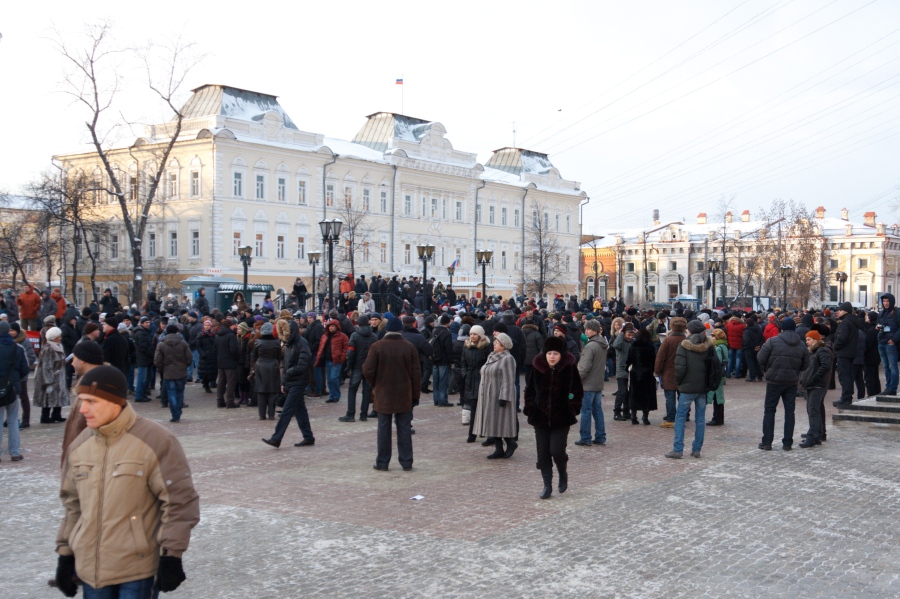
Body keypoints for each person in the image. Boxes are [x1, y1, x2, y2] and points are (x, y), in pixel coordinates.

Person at [55, 365, 200, 598]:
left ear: (114, 401)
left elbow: (179, 502)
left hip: (137, 569)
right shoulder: (80, 445)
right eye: (81, 400)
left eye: (91, 401)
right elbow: (73, 505)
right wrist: (65, 554)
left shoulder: (156, 440)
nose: (82, 409)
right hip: (92, 569)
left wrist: (171, 555)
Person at [523, 335, 583, 500]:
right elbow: (529, 391)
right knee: (543, 453)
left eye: (555, 353)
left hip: (561, 417)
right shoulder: (538, 366)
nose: (552, 357)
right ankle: (547, 485)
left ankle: (562, 472)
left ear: (561, 354)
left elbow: (577, 391)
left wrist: (572, 406)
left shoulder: (569, 367)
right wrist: (531, 408)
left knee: (556, 450)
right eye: (549, 353)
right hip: (540, 418)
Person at [363, 316, 421, 471]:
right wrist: (415, 395)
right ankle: (406, 461)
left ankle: (382, 462)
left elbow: (368, 369)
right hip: (404, 393)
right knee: (404, 428)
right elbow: (416, 374)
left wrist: (376, 383)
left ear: (386, 329)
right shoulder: (408, 347)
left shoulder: (377, 346)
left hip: (384, 393)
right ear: (400, 330)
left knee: (383, 428)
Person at [756, 317, 810, 451]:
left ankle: (767, 442)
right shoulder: (801, 344)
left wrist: (767, 369)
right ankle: (787, 443)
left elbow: (760, 358)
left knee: (769, 411)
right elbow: (806, 364)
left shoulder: (772, 341)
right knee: (789, 412)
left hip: (774, 380)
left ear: (782, 328)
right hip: (791, 381)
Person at [263, 319, 314, 448]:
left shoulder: (301, 343)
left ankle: (276, 438)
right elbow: (286, 366)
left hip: (299, 381)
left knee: (287, 410)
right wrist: (284, 382)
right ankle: (308, 437)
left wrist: (289, 373)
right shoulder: (288, 344)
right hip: (292, 381)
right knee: (300, 410)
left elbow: (303, 364)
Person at [666, 320, 713, 459]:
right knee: (700, 418)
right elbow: (713, 366)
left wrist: (679, 382)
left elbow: (680, 368)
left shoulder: (684, 346)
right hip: (702, 387)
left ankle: (678, 449)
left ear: (691, 331)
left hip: (687, 387)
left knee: (680, 417)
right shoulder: (709, 346)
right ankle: (697, 449)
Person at [472, 332, 518, 459]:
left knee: (502, 422)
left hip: (499, 395)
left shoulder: (507, 359)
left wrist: (504, 396)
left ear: (504, 345)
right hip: (488, 394)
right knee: (492, 422)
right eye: (494, 342)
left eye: (497, 343)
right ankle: (498, 449)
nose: (494, 344)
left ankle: (510, 443)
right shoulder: (492, 356)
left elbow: (508, 379)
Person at [60, 340, 105, 464]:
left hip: (87, 461)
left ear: (83, 360)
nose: (72, 363)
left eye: (74, 358)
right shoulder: (88, 384)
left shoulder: (95, 386)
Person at [576, 319, 608, 446]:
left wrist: (577, 381)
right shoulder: (602, 344)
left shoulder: (590, 346)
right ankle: (600, 436)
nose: (586, 331)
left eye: (588, 329)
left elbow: (584, 368)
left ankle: (585, 437)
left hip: (588, 384)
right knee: (598, 411)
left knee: (586, 411)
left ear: (595, 330)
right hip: (597, 383)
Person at [0, 321, 29, 462]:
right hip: (13, 387)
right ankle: (15, 452)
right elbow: (25, 368)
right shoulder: (17, 348)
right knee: (12, 420)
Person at [799, 329, 833, 448]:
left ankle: (812, 437)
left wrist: (814, 378)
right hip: (812, 384)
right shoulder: (813, 351)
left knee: (813, 410)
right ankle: (817, 434)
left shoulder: (821, 350)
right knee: (814, 410)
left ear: (815, 339)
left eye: (809, 339)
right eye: (806, 339)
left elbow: (825, 366)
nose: (807, 342)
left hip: (817, 385)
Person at [154, 324, 193, 423]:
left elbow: (157, 361)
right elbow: (189, 358)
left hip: (168, 372)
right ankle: (178, 412)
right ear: (177, 332)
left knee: (171, 394)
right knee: (180, 393)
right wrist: (184, 366)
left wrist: (163, 368)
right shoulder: (183, 343)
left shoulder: (161, 344)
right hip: (181, 372)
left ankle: (175, 414)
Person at [341, 314, 375, 422]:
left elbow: (350, 352)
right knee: (367, 390)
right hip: (369, 367)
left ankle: (350, 414)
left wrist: (349, 366)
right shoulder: (374, 336)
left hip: (357, 366)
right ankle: (363, 414)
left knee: (352, 389)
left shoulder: (355, 335)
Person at [461, 325, 492, 443]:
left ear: (480, 335)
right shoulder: (466, 346)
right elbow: (462, 362)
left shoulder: (486, 346)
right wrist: (465, 374)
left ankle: (485, 432)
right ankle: (472, 433)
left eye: (475, 334)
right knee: (473, 407)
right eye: (471, 334)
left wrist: (484, 373)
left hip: (482, 378)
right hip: (470, 378)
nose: (472, 336)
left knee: (484, 407)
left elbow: (489, 362)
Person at [655, 316, 687, 428]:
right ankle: (683, 416)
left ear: (672, 328)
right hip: (684, 373)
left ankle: (671, 418)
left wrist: (657, 371)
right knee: (683, 396)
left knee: (670, 397)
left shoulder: (668, 340)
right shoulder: (687, 340)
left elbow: (660, 357)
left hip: (668, 373)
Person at [34, 326, 69, 424]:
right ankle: (45, 416)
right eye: (59, 336)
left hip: (58, 375)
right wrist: (48, 381)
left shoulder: (58, 346)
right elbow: (46, 365)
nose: (60, 338)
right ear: (53, 338)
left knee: (58, 396)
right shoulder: (48, 348)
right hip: (51, 376)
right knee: (48, 397)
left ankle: (56, 414)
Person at [626, 328, 658, 425]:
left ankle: (633, 416)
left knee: (634, 394)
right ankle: (645, 417)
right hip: (647, 373)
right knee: (646, 395)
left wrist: (628, 368)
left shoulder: (633, 347)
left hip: (635, 373)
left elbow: (628, 360)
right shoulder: (650, 347)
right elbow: (654, 361)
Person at [832, 302, 861, 407]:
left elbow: (842, 338)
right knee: (848, 375)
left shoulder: (845, 322)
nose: (838, 312)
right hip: (850, 352)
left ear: (845, 310)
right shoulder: (853, 322)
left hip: (844, 353)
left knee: (844, 376)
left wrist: (834, 346)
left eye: (840, 310)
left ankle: (846, 398)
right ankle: (847, 396)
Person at [252, 322, 282, 420]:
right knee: (272, 391)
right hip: (273, 366)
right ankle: (271, 414)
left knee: (261, 391)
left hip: (260, 366)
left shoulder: (257, 342)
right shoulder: (276, 342)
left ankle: (261, 414)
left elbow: (254, 356)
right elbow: (279, 356)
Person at [9, 322, 36, 429]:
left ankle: (26, 419)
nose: (11, 333)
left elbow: (31, 357)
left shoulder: (25, 342)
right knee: (10, 398)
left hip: (21, 375)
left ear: (17, 331)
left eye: (12, 330)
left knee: (23, 397)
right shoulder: (7, 341)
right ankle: (10, 419)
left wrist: (21, 368)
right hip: (10, 376)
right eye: (9, 330)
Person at [315, 320, 349, 403]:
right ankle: (332, 396)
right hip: (327, 360)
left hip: (336, 360)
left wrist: (342, 358)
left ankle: (336, 395)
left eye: (333, 326)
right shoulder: (325, 336)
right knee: (329, 379)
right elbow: (321, 347)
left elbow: (345, 348)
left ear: (337, 327)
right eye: (330, 326)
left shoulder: (343, 336)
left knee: (334, 378)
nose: (331, 328)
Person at [215, 318, 241, 409]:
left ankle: (220, 400)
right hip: (230, 362)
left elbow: (215, 348)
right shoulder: (231, 335)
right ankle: (230, 401)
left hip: (220, 361)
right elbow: (234, 350)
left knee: (221, 382)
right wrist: (237, 358)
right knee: (231, 382)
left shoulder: (218, 335)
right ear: (230, 326)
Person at [430, 314, 455, 407]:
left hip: (435, 359)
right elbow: (448, 348)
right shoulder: (447, 333)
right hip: (443, 360)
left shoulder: (435, 330)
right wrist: (451, 360)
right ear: (448, 322)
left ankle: (436, 400)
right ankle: (442, 400)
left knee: (435, 381)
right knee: (443, 381)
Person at [612, 322, 635, 421]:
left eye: (632, 335)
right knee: (622, 391)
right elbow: (615, 345)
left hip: (631, 370)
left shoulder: (633, 342)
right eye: (628, 335)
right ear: (624, 333)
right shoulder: (620, 342)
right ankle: (617, 412)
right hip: (621, 369)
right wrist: (621, 334)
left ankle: (626, 411)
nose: (630, 337)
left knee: (628, 392)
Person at [706, 328, 729, 426]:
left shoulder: (718, 347)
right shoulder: (724, 345)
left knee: (717, 395)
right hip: (722, 373)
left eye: (713, 336)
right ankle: (719, 418)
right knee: (719, 395)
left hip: (717, 374)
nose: (712, 337)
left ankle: (717, 418)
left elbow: (717, 361)